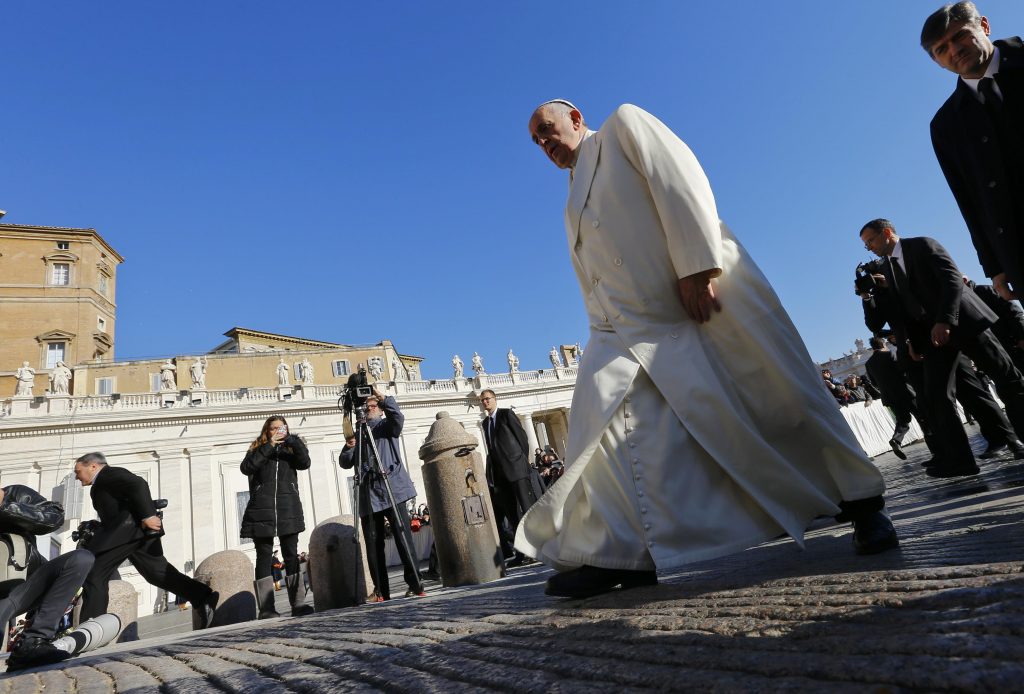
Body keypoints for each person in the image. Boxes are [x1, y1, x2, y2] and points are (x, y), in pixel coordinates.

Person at [521, 100, 894, 599]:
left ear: (576, 118)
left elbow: (680, 179)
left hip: (704, 295)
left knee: (781, 399)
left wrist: (697, 266)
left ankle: (863, 504)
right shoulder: (571, 202)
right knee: (603, 431)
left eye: (547, 129)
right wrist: (600, 331)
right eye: (536, 141)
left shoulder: (623, 126)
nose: (544, 143)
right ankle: (620, 551)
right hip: (625, 330)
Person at [859, 219, 1024, 477]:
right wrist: (913, 341)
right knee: (936, 396)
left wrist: (945, 320)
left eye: (870, 240)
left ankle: (1016, 440)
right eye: (865, 244)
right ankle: (961, 462)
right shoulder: (888, 268)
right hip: (934, 338)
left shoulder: (923, 245)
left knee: (1006, 378)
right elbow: (908, 310)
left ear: (887, 233)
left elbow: (951, 279)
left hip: (964, 322)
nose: (869, 247)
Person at [924, 3, 1024, 302]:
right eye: (942, 49)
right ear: (937, 62)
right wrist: (993, 265)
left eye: (960, 36)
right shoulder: (945, 125)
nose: (955, 50)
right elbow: (968, 199)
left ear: (984, 26)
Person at [73, 452, 218, 626]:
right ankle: (203, 596)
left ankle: (92, 626)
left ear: (93, 466)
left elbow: (138, 484)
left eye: (78, 471)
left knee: (95, 574)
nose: (76, 477)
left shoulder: (107, 475)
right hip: (133, 534)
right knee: (157, 574)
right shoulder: (101, 482)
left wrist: (148, 515)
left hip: (127, 534)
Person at [339, 390, 424, 601]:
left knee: (403, 539)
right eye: (366, 407)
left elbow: (398, 417)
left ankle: (415, 582)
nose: (369, 409)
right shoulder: (358, 434)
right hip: (368, 495)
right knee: (373, 545)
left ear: (380, 409)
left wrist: (381, 396)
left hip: (392, 489)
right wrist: (349, 446)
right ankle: (381, 591)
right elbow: (345, 462)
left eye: (373, 406)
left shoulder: (386, 426)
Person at [0, 485, 94, 671]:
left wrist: (6, 507)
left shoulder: (15, 495)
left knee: (81, 559)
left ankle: (33, 641)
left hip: (19, 588)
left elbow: (53, 517)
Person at [239, 416, 313, 618]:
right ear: (267, 431)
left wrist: (293, 440)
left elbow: (305, 463)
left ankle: (298, 603)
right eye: (274, 428)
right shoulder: (258, 448)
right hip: (262, 510)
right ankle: (266, 608)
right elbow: (247, 468)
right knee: (263, 556)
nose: (278, 431)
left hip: (288, 508)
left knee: (291, 555)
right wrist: (269, 446)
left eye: (282, 428)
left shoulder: (291, 449)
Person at [480, 390, 538, 568]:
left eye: (487, 399)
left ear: (495, 399)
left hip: (517, 469)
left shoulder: (506, 414)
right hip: (500, 475)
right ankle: (521, 553)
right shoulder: (485, 423)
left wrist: (521, 460)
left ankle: (537, 549)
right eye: (482, 400)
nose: (485, 402)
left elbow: (522, 438)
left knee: (527, 509)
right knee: (512, 515)